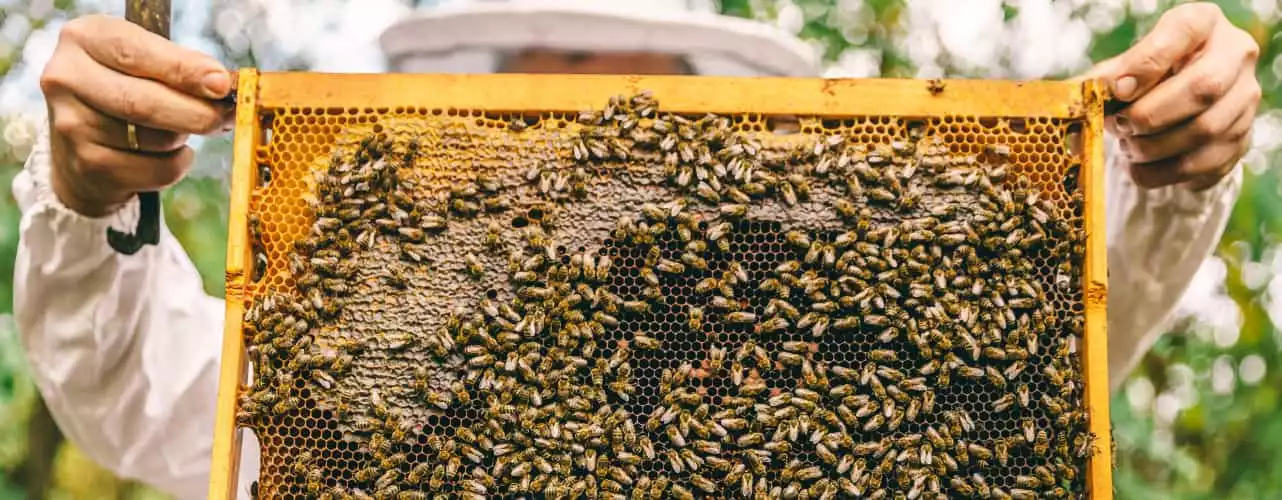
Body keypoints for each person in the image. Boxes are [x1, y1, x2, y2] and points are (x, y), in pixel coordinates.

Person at [14, 0, 1259, 497]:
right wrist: (84, 195)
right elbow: (141, 396)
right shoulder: (379, 360)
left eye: (633, 114)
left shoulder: (846, 321)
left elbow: (1050, 336)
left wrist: (1166, 166)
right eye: (541, 105)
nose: (591, 146)